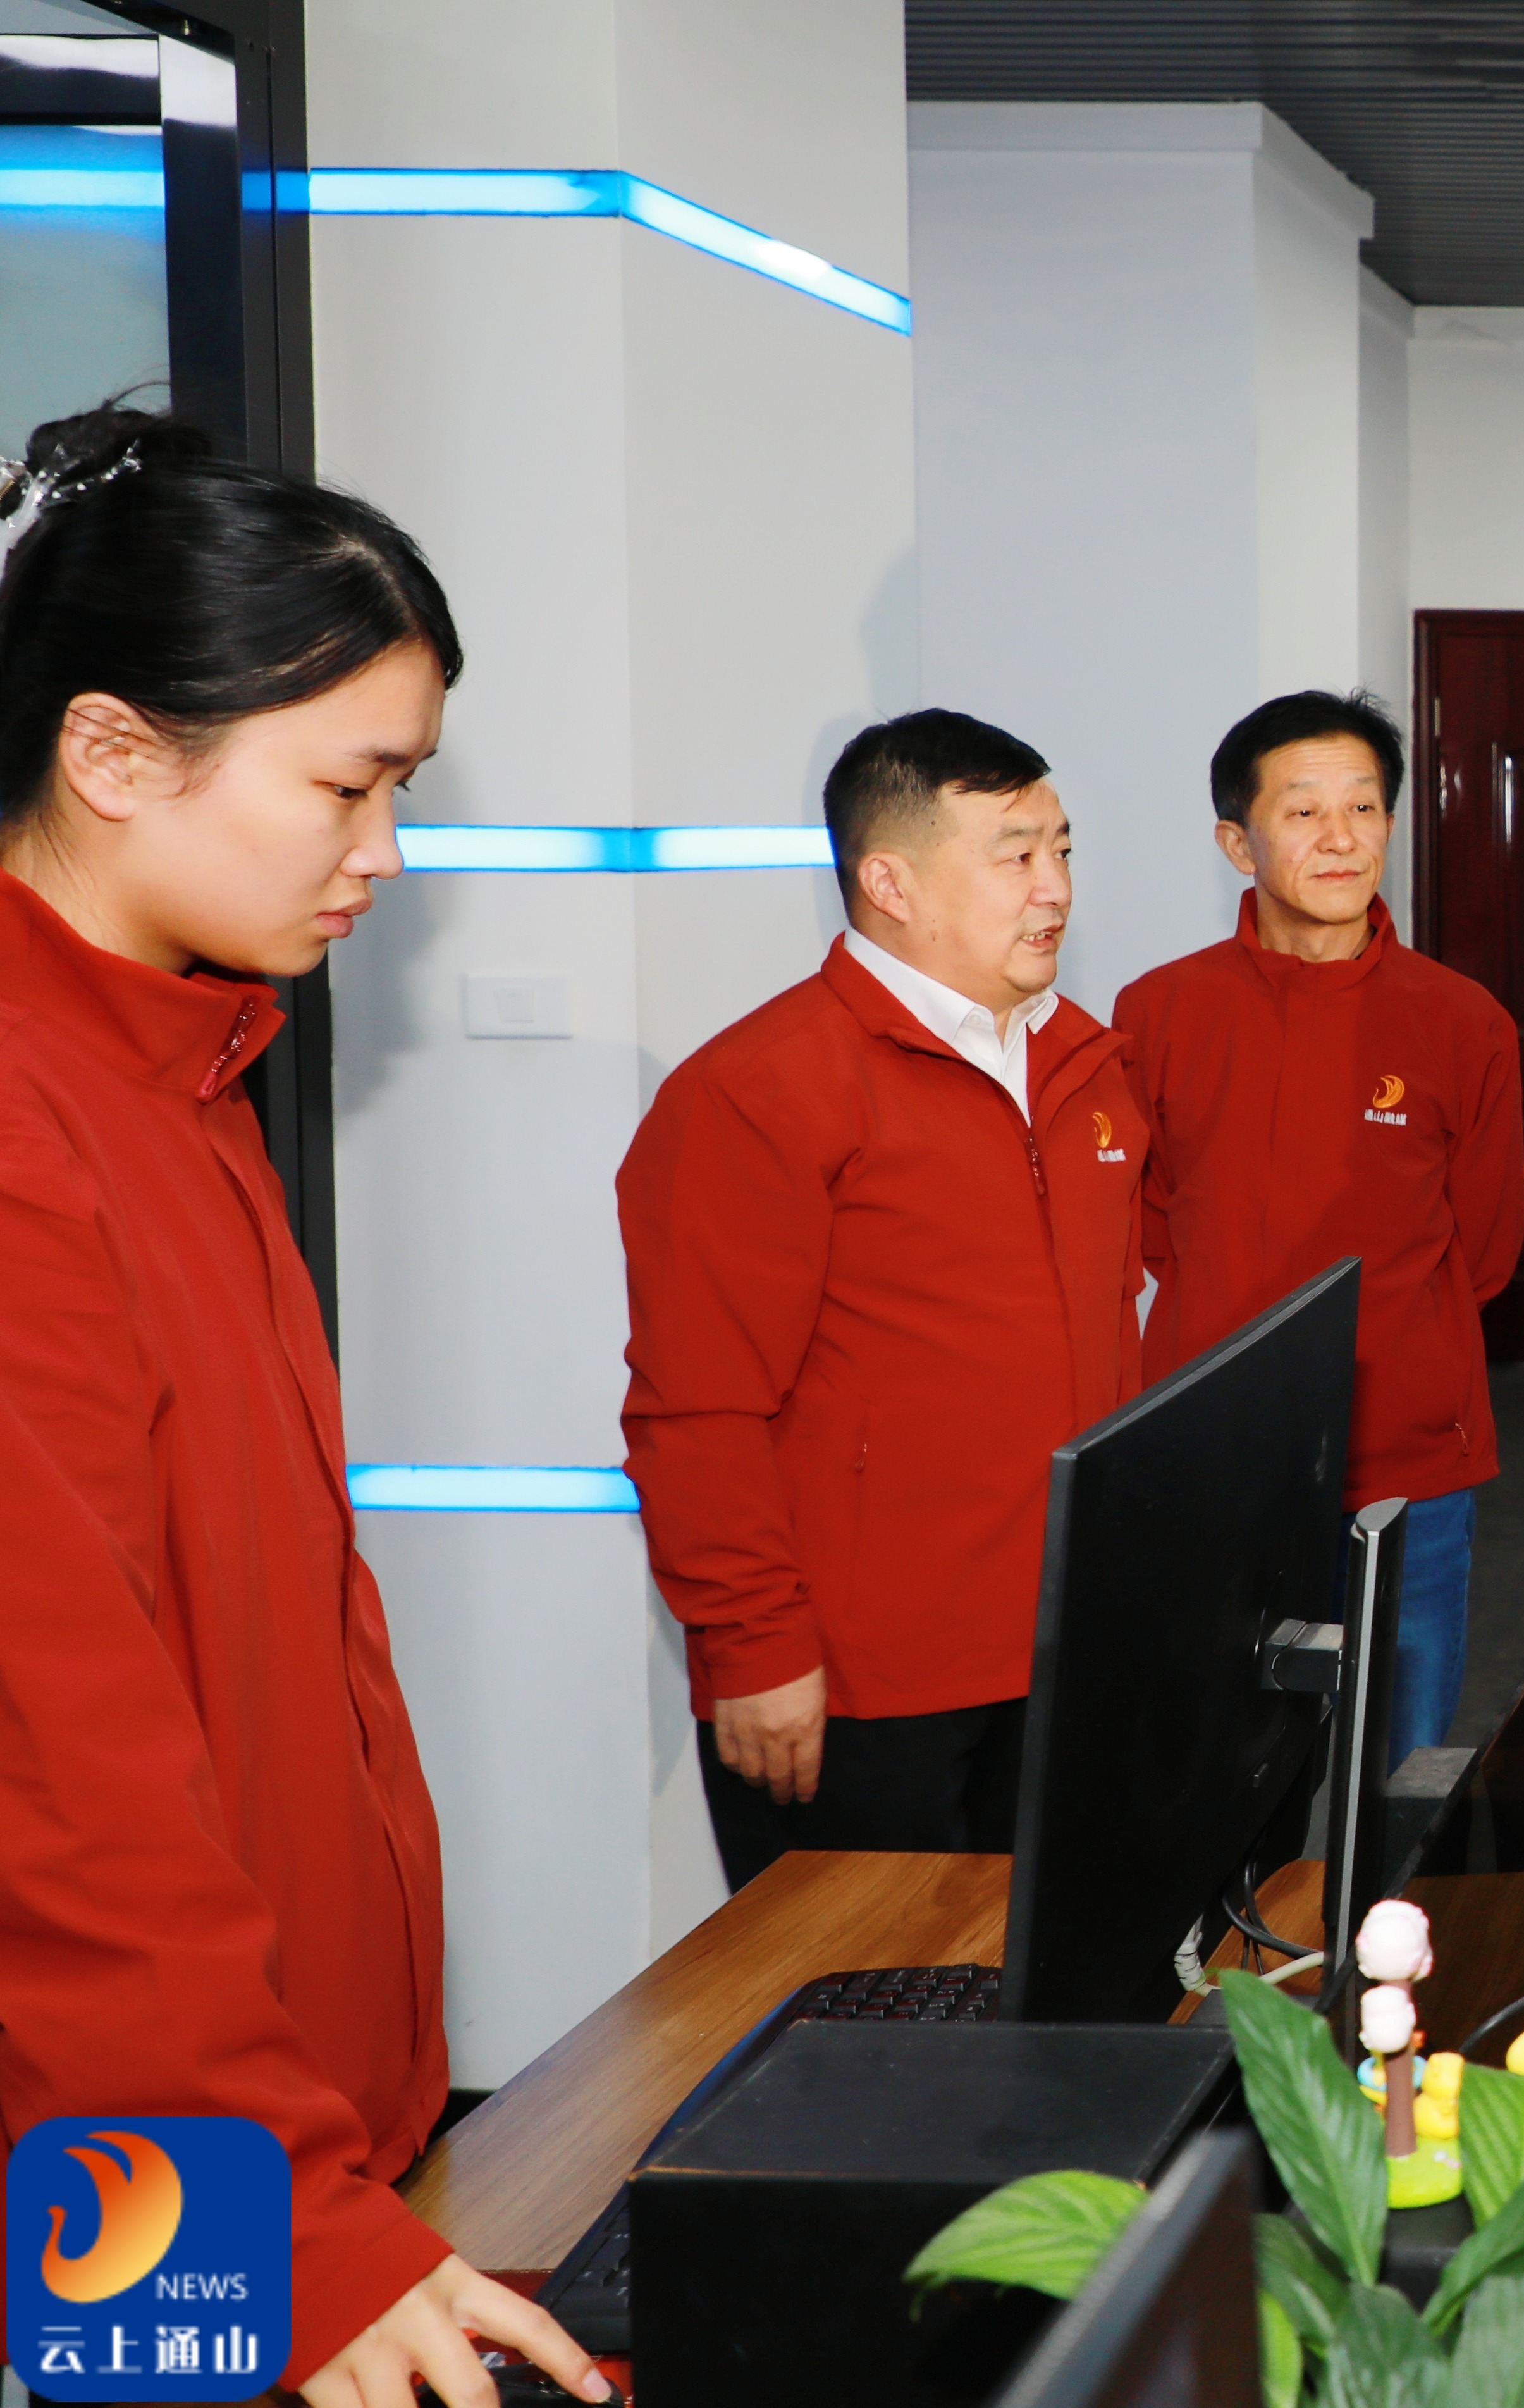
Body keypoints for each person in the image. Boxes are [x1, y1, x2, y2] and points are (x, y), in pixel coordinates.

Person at [0, 407, 603, 2408]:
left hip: (292, 2116)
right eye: (349, 786)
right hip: (149, 2168)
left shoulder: (181, 1066)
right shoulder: (24, 1124)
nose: (385, 854)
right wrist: (279, 2239)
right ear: (111, 754)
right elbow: (54, 1775)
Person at [619, 709, 1148, 1890]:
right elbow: (697, 1407)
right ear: (889, 882)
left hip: (1066, 1652)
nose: (1055, 887)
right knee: (866, 1999)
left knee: (1050, 1982)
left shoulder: (1090, 1067)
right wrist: (754, 1647)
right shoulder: (756, 1091)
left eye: (1062, 848)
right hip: (860, 1686)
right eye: (1015, 855)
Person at [1116, 690, 1524, 1751]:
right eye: (1302, 812)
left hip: (1405, 1468)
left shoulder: (1460, 1019)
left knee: (1396, 1771)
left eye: (1364, 807)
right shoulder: (1156, 1013)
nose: (1340, 838)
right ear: (1236, 843)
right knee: (1215, 1768)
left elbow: (1482, 1248)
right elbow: (1150, 1226)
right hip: (1215, 1461)